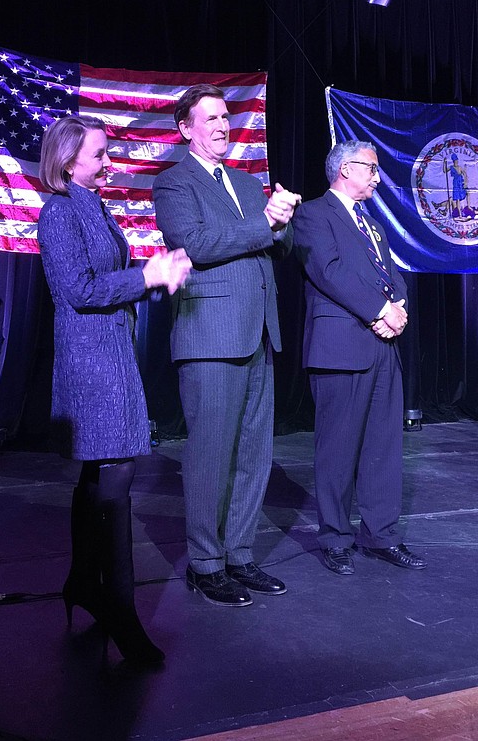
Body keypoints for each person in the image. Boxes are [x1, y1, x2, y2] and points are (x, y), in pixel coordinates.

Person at [37, 115, 191, 666]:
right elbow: (76, 290)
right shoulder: (58, 212)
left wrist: (155, 278)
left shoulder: (94, 206)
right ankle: (120, 611)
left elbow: (109, 281)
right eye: (100, 155)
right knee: (116, 471)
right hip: (90, 357)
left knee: (99, 471)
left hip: (110, 349)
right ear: (68, 160)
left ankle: (83, 582)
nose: (109, 163)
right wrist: (145, 278)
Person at [152, 84, 301, 607]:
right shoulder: (174, 184)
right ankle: (205, 563)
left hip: (258, 331)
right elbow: (196, 244)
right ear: (186, 128)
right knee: (211, 455)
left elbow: (275, 247)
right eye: (210, 118)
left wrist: (282, 218)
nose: (221, 125)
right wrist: (263, 224)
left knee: (254, 454)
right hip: (211, 333)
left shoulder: (246, 181)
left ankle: (239, 554)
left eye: (225, 116)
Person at [292, 139, 427, 576]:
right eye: (371, 168)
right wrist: (378, 310)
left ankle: (381, 535)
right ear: (345, 169)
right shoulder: (314, 214)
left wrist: (397, 309)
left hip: (382, 346)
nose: (377, 176)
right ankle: (335, 537)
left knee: (383, 448)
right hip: (340, 347)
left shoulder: (372, 223)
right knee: (338, 449)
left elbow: (390, 273)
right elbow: (328, 272)